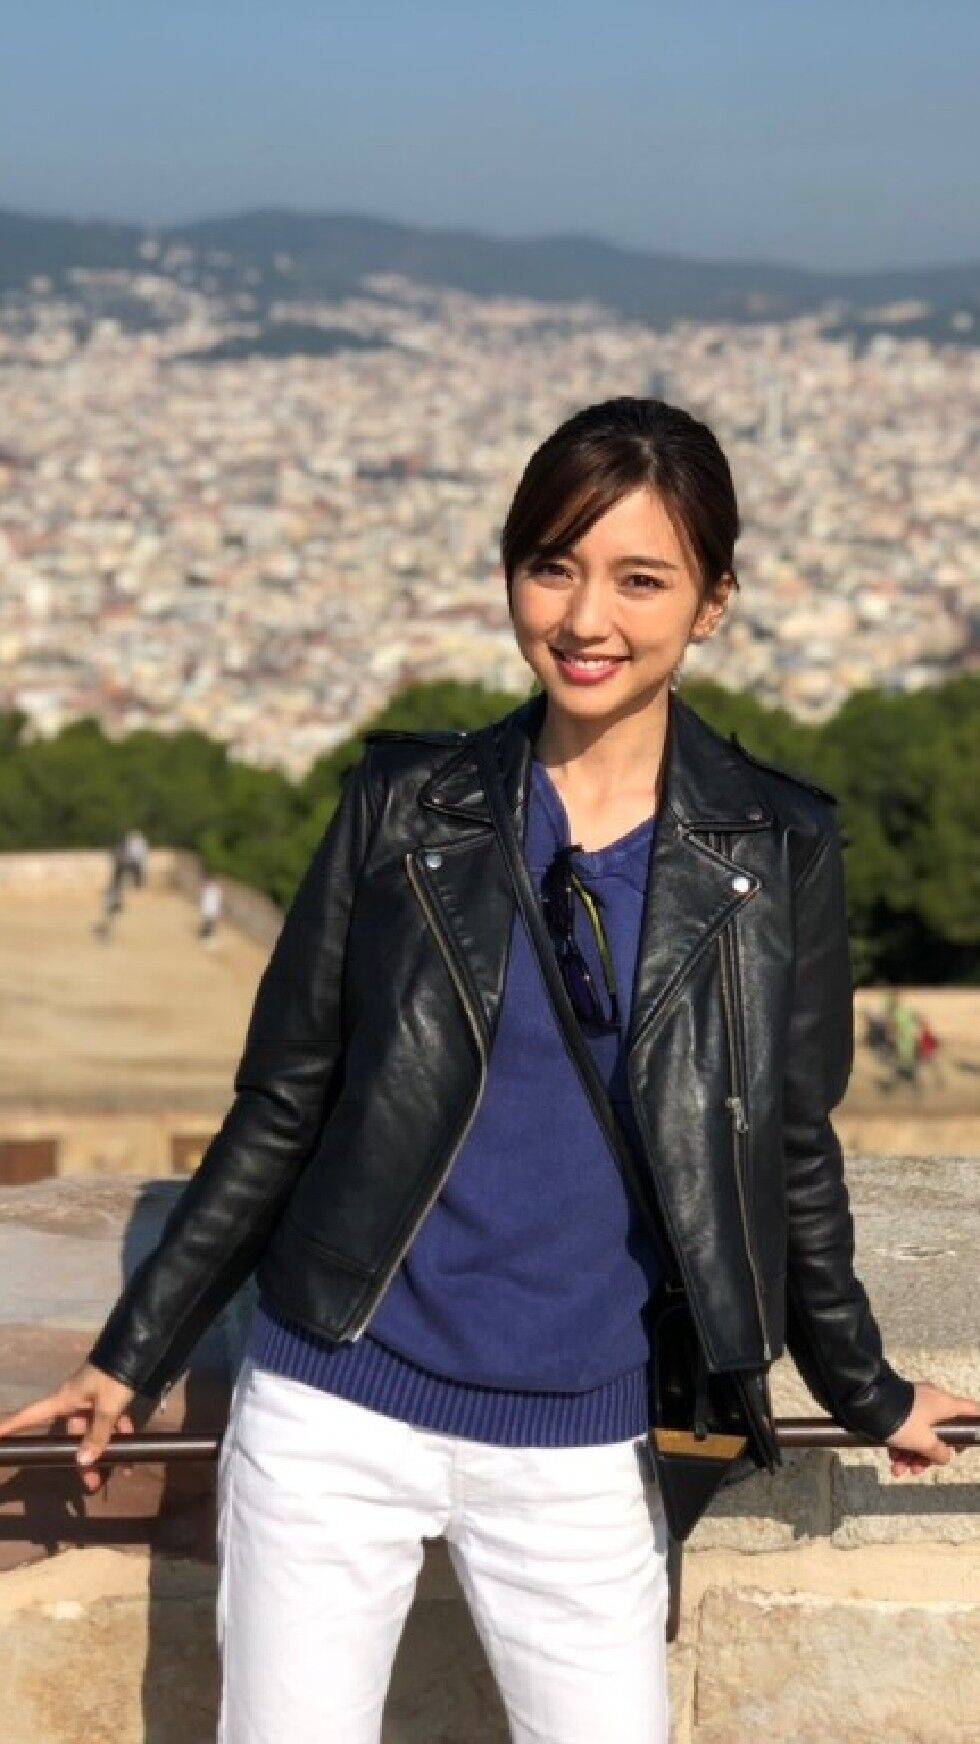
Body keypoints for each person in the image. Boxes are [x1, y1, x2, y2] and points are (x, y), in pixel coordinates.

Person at [1, 397, 977, 1744]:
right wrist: (133, 1353)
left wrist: (867, 1387)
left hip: (587, 1442)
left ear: (714, 603)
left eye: (641, 580)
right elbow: (284, 1103)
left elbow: (786, 1141)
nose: (585, 618)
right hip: (335, 1408)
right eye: (552, 566)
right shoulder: (404, 810)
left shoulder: (777, 849)